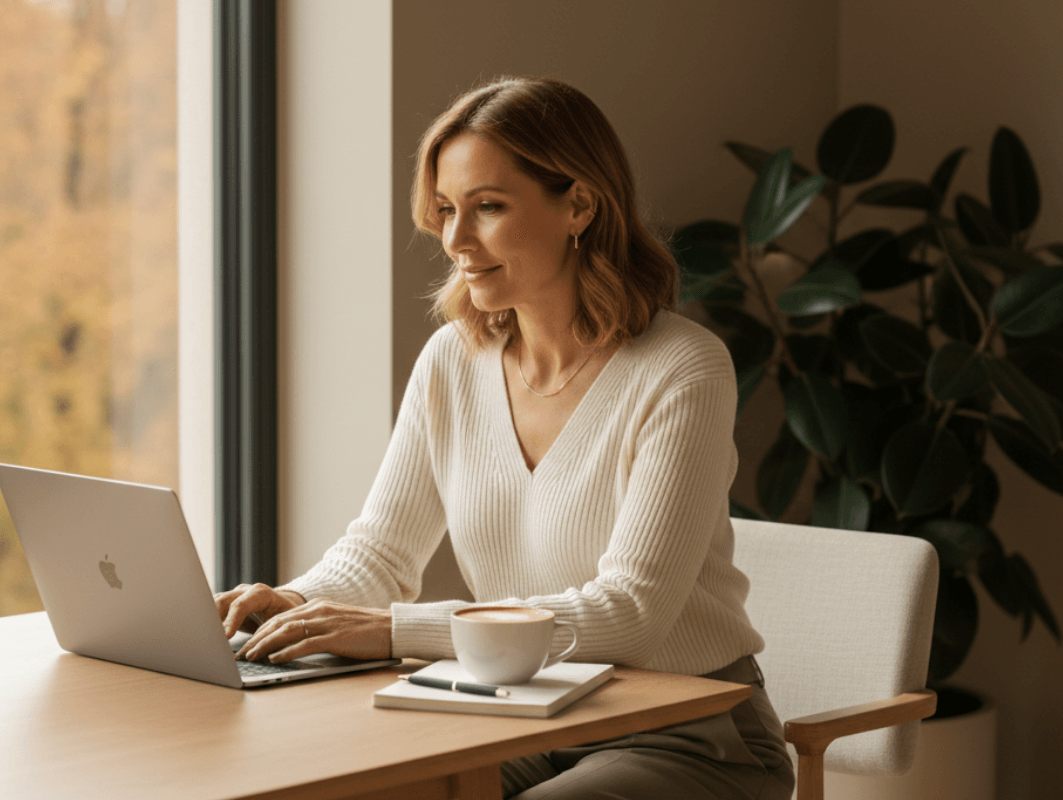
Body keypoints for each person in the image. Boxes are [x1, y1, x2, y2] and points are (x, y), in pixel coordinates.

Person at [215, 76, 794, 800]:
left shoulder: (683, 367)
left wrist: (394, 632)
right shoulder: (453, 360)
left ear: (579, 204)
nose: (455, 240)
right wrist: (289, 609)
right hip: (518, 717)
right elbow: (379, 553)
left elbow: (631, 616)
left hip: (690, 736)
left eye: (487, 208)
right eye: (448, 210)